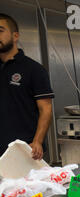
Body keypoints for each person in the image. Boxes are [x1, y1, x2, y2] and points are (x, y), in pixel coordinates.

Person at [0, 13, 54, 160]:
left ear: (15, 36)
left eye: (0, 31)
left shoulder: (33, 69)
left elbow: (46, 108)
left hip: (25, 151)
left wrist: (37, 141)